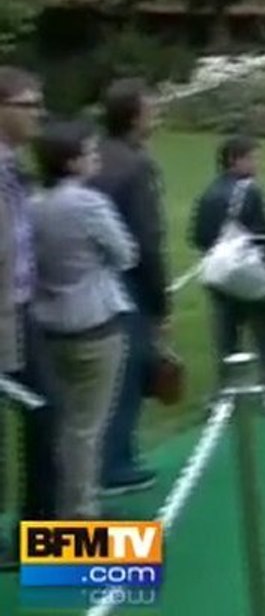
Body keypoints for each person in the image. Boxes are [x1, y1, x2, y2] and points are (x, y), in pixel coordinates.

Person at [30, 119, 138, 518]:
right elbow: (125, 253)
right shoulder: (88, 203)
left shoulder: (32, 204)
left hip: (48, 323)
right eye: (91, 152)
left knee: (63, 421)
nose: (96, 159)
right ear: (72, 162)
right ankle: (80, 509)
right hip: (94, 322)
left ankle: (60, 502)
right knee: (86, 425)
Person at [88, 78, 167, 496]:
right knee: (128, 370)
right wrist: (161, 303)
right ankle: (114, 465)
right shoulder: (135, 166)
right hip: (126, 281)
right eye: (151, 107)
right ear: (135, 115)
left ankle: (114, 458)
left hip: (88, 278)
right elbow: (145, 242)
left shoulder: (99, 154)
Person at [190, 135, 265, 412]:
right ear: (235, 160)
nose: (258, 163)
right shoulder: (250, 191)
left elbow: (198, 236)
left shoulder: (208, 193)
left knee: (227, 337)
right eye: (253, 157)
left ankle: (223, 397)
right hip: (250, 275)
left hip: (220, 275)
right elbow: (264, 236)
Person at [0, 66, 57, 570]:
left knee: (45, 413)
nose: (39, 113)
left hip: (21, 309)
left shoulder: (15, 165)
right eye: (28, 104)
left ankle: (40, 537)